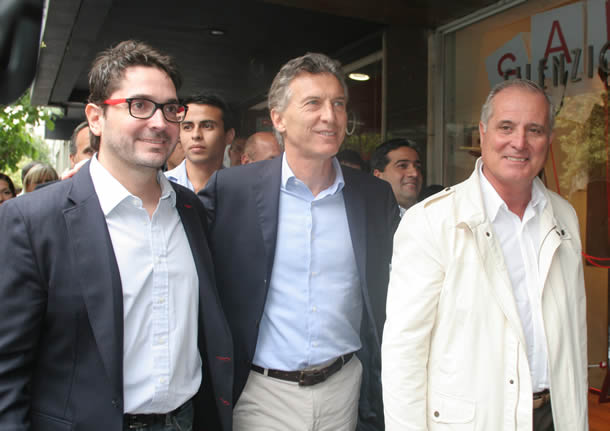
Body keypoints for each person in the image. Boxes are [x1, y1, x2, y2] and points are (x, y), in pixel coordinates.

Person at [0, 40, 233, 431]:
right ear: (95, 118)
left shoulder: (192, 212)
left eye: (170, 109)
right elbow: (7, 369)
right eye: (139, 105)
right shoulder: (31, 220)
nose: (159, 122)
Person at [200, 52, 399, 431]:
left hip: (344, 388)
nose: (330, 116)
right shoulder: (233, 189)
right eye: (313, 103)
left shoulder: (373, 197)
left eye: (338, 104)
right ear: (278, 118)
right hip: (262, 393)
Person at [382, 79, 588, 431]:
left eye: (534, 130)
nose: (519, 142)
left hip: (554, 417)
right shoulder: (431, 221)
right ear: (482, 133)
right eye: (506, 127)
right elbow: (404, 352)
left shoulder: (564, 216)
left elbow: (575, 335)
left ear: (549, 139)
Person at [165, 93, 235, 192]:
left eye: (207, 126)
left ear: (229, 136)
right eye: (187, 127)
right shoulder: (159, 186)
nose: (196, 135)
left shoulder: (242, 189)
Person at [371, 138, 423, 216]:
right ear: (378, 176)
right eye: (402, 166)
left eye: (418, 167)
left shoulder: (435, 215)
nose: (415, 173)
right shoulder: (365, 217)